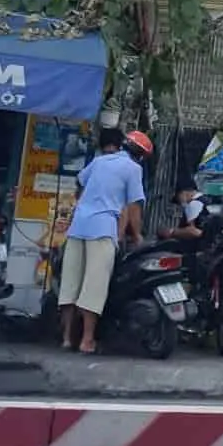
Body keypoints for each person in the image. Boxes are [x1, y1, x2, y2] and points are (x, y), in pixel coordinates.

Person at [57, 124, 148, 355]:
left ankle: (66, 338)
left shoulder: (98, 161)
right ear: (141, 155)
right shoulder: (133, 169)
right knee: (94, 287)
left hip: (78, 226)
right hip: (102, 229)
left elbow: (80, 182)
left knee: (70, 283)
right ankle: (87, 340)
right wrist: (137, 235)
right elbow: (134, 206)